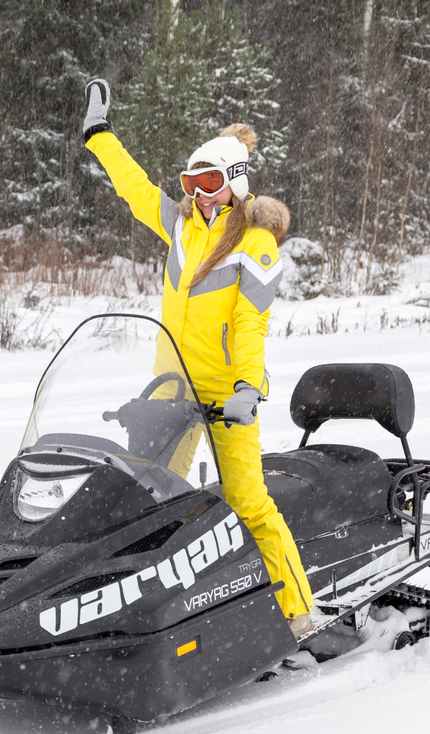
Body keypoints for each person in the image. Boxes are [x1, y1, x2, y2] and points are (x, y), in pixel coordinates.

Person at [82, 78, 313, 639]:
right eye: (190, 182)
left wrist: (248, 389)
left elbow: (251, 324)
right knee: (146, 500)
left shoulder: (254, 243)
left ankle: (300, 613)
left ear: (234, 182)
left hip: (226, 396)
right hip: (172, 388)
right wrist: (99, 136)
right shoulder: (183, 228)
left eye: (209, 181)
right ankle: (140, 619)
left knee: (247, 501)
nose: (198, 192)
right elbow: (135, 189)